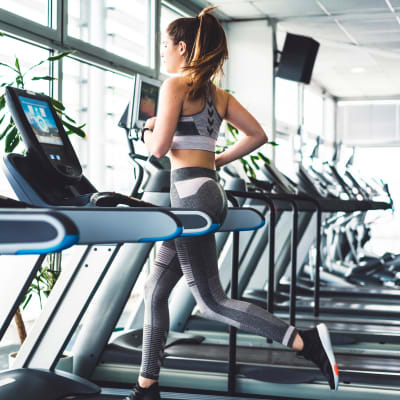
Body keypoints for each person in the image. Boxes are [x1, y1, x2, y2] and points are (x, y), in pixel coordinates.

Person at [124, 6, 339, 400]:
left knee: (211, 302)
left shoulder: (175, 86)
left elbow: (157, 149)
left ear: (183, 48)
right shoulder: (217, 95)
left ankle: (304, 342)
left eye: (165, 46)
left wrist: (148, 126)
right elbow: (257, 134)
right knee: (156, 290)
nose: (162, 54)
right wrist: (217, 160)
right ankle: (146, 386)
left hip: (188, 197)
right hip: (204, 190)